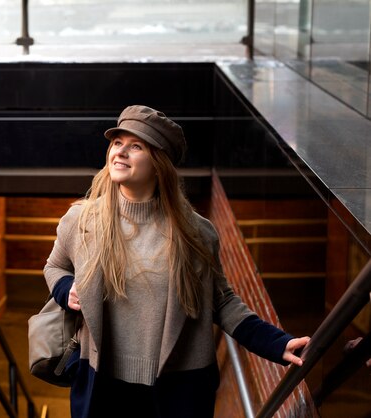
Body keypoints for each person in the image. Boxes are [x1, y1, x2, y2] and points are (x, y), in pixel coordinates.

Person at [43, 105, 311, 418]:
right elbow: (55, 267)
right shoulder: (81, 220)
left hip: (176, 390)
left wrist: (276, 343)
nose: (121, 152)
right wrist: (67, 289)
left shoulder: (195, 232)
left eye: (136, 146)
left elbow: (221, 302)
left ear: (159, 164)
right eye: (117, 143)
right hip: (102, 386)